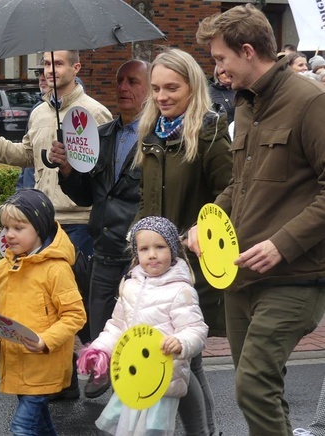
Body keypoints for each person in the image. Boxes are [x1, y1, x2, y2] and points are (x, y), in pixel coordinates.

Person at [194, 4, 325, 434]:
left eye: (220, 59)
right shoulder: (244, 105)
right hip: (240, 278)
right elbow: (240, 184)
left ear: (248, 51)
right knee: (261, 389)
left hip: (295, 277)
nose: (218, 70)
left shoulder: (311, 102)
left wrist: (282, 244)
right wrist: (205, 223)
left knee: (252, 386)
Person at [0, 50, 111, 399]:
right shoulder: (38, 112)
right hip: (43, 223)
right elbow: (25, 156)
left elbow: (104, 173)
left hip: (79, 222)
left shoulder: (93, 112)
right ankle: (62, 382)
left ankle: (97, 363)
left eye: (58, 64)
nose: (49, 70)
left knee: (76, 300)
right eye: (47, 64)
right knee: (44, 303)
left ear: (76, 68)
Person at [133, 48, 231, 436]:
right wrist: (138, 246)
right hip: (156, 264)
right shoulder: (150, 133)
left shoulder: (208, 131)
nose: (162, 96)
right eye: (155, 88)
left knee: (188, 362)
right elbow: (147, 201)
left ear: (193, 86)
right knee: (182, 364)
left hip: (195, 267)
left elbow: (231, 192)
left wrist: (197, 232)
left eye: (172, 87)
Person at [50, 59, 149, 399]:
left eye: (133, 81)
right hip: (104, 245)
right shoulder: (102, 135)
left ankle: (133, 392)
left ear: (149, 89)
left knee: (139, 324)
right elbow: (84, 194)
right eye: (120, 80)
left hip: (140, 252)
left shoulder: (158, 138)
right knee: (100, 321)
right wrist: (66, 169)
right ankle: (103, 369)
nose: (123, 88)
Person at [77, 216, 208, 436]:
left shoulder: (180, 290)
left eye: (160, 247)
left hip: (161, 380)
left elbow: (196, 329)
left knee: (152, 431)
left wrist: (181, 342)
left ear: (173, 249)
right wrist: (99, 349)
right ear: (136, 253)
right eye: (144, 249)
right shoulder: (130, 285)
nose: (152, 254)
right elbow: (117, 326)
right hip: (134, 377)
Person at [0, 188, 86, 436]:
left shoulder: (56, 269)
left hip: (44, 363)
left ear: (39, 228)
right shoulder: (2, 268)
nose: (9, 235)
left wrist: (45, 340)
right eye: (6, 228)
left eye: (18, 228)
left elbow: (75, 314)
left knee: (22, 427)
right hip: (16, 362)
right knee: (41, 425)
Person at [15, 61, 50, 191]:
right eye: (39, 73)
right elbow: (29, 151)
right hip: (32, 189)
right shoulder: (37, 109)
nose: (41, 78)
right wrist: (22, 188)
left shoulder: (79, 110)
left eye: (46, 71)